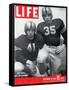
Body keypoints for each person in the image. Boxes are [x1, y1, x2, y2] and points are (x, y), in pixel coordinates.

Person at [37, 7, 67, 75]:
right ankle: (44, 70)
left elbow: (66, 36)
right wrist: (44, 47)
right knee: (41, 59)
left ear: (52, 15)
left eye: (48, 15)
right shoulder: (40, 26)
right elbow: (39, 41)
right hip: (45, 48)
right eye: (45, 16)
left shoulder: (58, 22)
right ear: (42, 17)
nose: (47, 17)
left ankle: (50, 69)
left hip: (55, 49)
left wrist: (63, 45)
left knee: (54, 74)